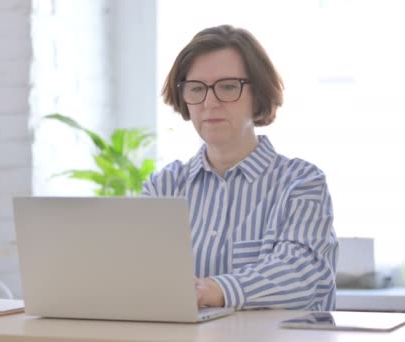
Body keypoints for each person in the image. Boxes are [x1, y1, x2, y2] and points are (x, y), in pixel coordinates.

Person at [142, 25, 338, 311]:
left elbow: (301, 276)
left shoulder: (302, 183)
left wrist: (214, 290)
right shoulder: (164, 187)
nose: (210, 102)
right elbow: (142, 276)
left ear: (258, 94)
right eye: (197, 88)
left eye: (228, 87)